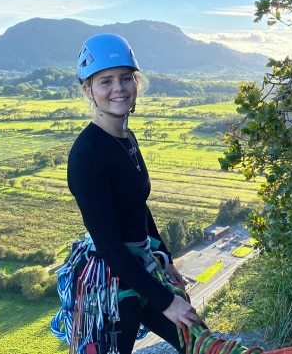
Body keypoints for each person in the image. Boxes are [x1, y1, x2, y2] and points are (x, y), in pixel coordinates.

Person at [54, 33, 201, 354]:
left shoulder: (126, 137)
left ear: (137, 84)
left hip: (139, 267)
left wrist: (167, 261)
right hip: (112, 277)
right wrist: (166, 301)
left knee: (200, 341)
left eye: (126, 79)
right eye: (105, 81)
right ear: (88, 90)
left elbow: (138, 207)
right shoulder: (87, 154)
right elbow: (108, 244)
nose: (118, 88)